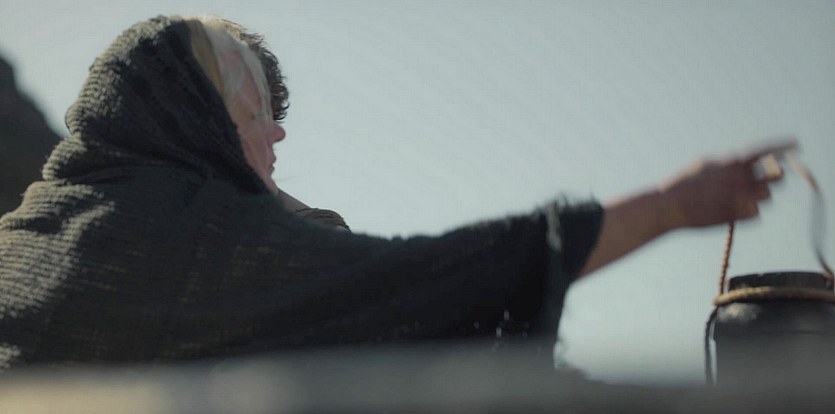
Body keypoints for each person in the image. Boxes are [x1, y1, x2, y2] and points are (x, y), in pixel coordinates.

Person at [0, 15, 792, 369]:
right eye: (250, 114)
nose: (274, 137)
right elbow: (446, 278)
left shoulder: (19, 243)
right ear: (190, 118)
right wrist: (669, 208)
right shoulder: (209, 251)